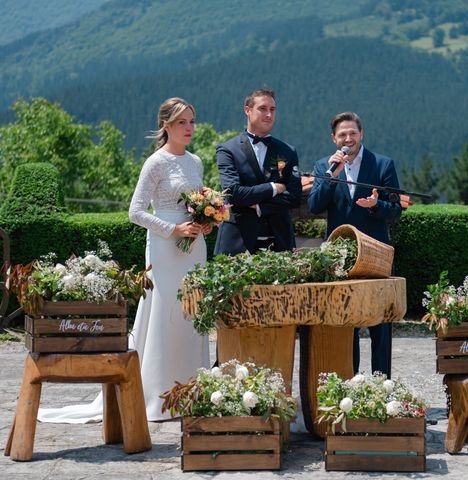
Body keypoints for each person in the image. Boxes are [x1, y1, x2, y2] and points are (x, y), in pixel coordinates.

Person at [38, 98, 211, 423]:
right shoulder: (155, 163)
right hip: (164, 248)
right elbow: (135, 212)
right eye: (182, 122)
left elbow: (197, 203)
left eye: (192, 121)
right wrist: (173, 228)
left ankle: (191, 391)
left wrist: (204, 221)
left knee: (192, 310)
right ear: (166, 126)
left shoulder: (196, 161)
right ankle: (156, 395)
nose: (189, 128)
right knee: (163, 312)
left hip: (194, 246)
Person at [307, 111, 402, 377]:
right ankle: (349, 383)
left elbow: (395, 210)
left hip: (376, 252)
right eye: (342, 135)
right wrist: (332, 176)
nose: (348, 139)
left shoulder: (383, 165)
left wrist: (375, 205)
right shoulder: (324, 166)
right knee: (346, 319)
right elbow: (314, 206)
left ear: (361, 134)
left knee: (380, 320)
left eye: (352, 133)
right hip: (339, 254)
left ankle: (381, 384)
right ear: (334, 138)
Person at [214, 88, 302, 254]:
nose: (269, 115)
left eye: (272, 110)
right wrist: (274, 188)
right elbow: (233, 193)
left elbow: (295, 196)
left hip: (280, 242)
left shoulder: (288, 151)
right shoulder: (227, 150)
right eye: (263, 109)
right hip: (237, 241)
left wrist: (261, 205)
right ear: (248, 110)